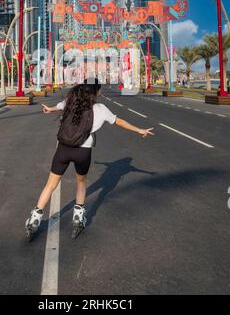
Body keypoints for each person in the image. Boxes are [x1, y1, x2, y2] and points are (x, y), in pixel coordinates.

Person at [25, 79, 154, 239]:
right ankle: (78, 217)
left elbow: (58, 107)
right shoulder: (100, 108)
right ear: (95, 92)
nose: (100, 93)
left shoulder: (70, 102)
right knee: (81, 182)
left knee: (50, 185)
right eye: (99, 90)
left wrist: (49, 109)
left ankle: (35, 218)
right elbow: (119, 122)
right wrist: (140, 130)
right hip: (83, 152)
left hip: (63, 149)